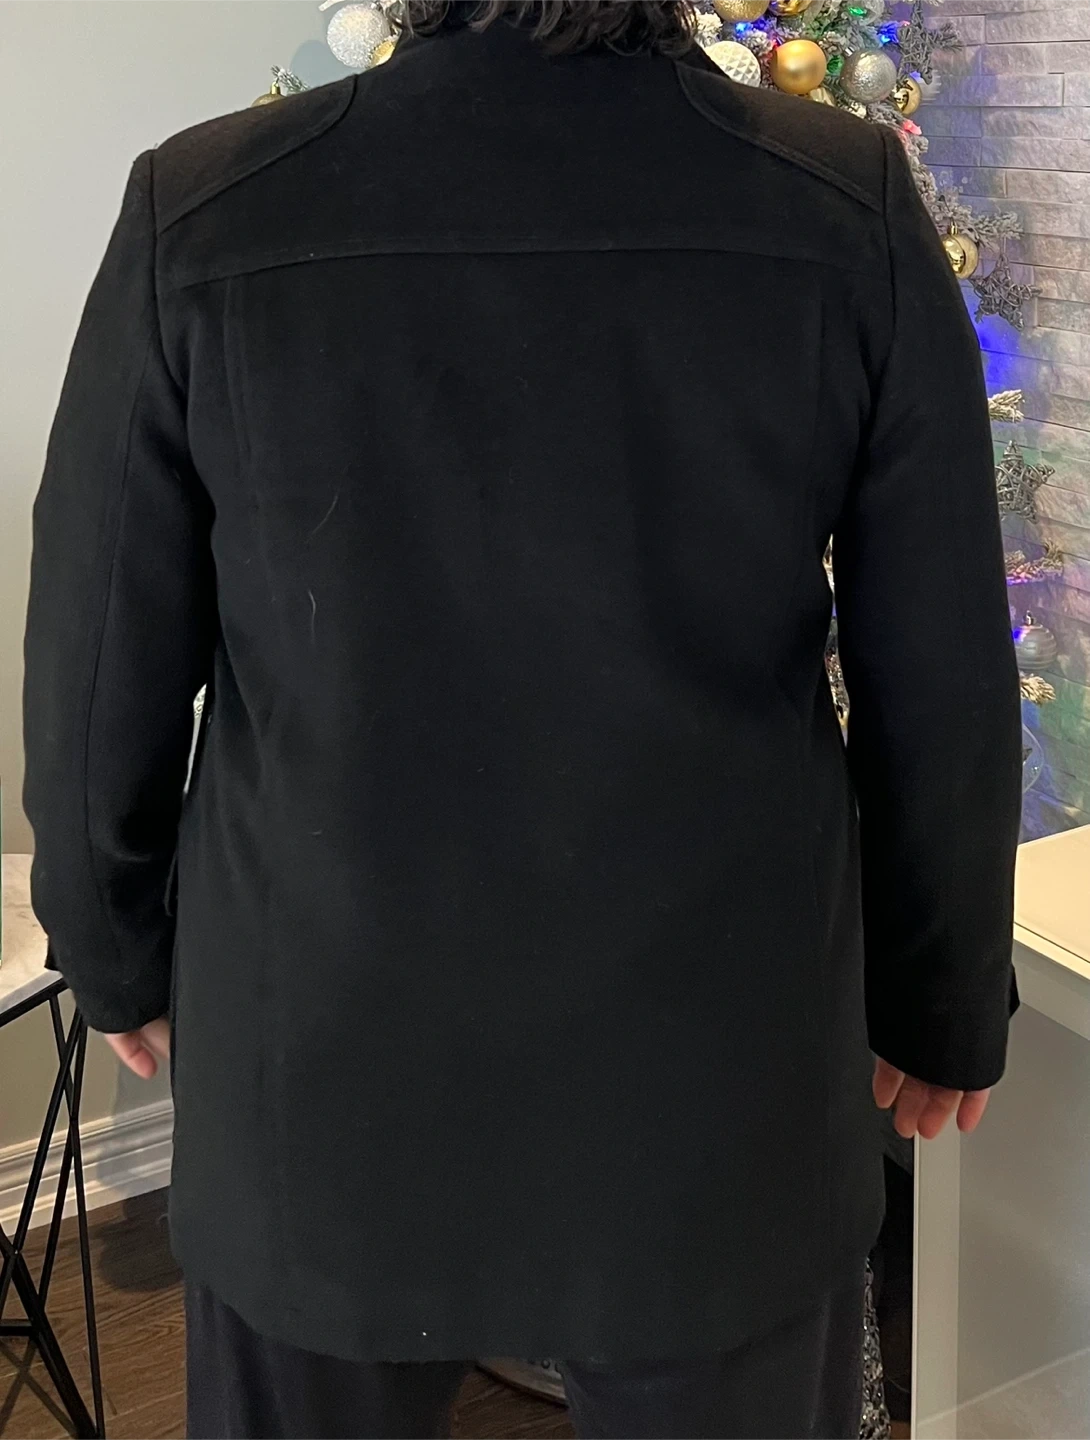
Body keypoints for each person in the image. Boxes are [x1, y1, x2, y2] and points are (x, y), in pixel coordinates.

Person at [22, 0, 1022, 1435]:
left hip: (324, 1058)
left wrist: (112, 945)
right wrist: (939, 995)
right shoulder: (836, 201)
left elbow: (98, 644)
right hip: (712, 1073)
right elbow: (940, 660)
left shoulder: (209, 205)